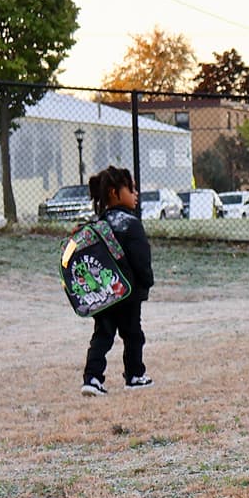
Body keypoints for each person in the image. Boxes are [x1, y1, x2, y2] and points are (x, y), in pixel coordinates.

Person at [80, 166, 154, 396]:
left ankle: (92, 378)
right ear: (114, 192)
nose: (136, 193)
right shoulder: (130, 224)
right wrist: (147, 281)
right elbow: (141, 258)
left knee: (102, 335)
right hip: (129, 294)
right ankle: (134, 375)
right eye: (131, 188)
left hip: (104, 294)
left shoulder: (98, 225)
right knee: (133, 335)